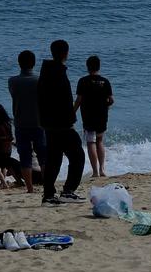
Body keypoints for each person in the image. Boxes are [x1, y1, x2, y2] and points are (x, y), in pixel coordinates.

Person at [37, 39, 85, 204]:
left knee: (54, 158)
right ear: (66, 53)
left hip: (50, 123)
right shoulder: (57, 72)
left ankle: (49, 194)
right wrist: (70, 119)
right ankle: (68, 190)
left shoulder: (47, 71)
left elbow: (43, 99)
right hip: (60, 124)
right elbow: (62, 101)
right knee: (77, 155)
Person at [8, 50, 46, 194]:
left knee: (25, 157)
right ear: (34, 63)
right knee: (43, 157)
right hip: (39, 123)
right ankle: (47, 185)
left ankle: (29, 188)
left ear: (19, 63)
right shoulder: (40, 80)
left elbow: (14, 96)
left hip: (21, 123)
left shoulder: (12, 81)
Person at [74, 55, 114, 178]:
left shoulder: (83, 81)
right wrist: (106, 106)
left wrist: (72, 113)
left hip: (88, 115)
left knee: (91, 142)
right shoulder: (105, 81)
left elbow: (79, 100)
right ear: (99, 67)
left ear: (87, 67)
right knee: (100, 141)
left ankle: (95, 172)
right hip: (102, 115)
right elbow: (111, 100)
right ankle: (102, 169)